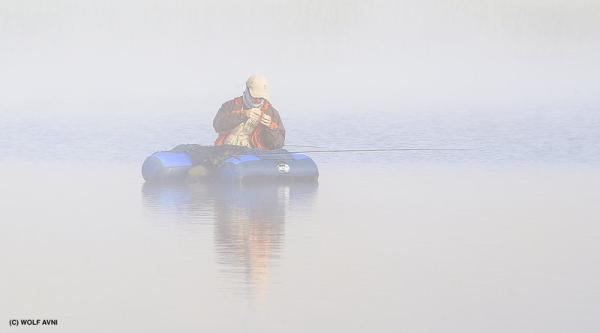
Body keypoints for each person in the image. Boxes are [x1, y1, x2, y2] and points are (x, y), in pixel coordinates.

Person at [213, 75, 285, 150]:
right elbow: (217, 126)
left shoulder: (272, 113)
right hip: (226, 150)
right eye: (254, 97)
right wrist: (242, 114)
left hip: (254, 154)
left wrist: (270, 126)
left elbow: (278, 145)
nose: (257, 101)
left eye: (260, 98)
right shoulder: (230, 106)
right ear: (247, 91)